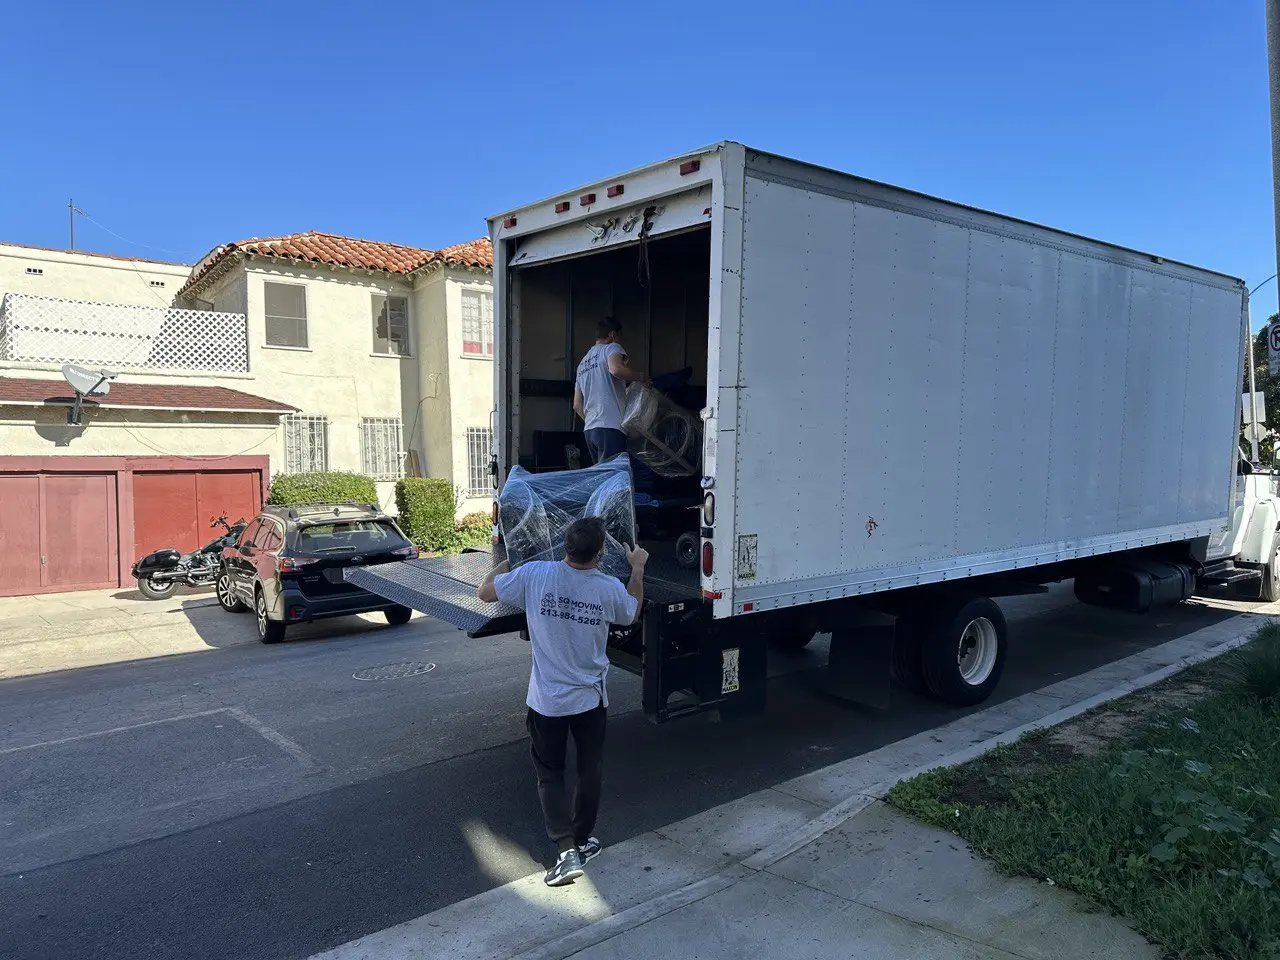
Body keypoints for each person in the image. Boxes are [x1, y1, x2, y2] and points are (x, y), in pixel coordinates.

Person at [477, 517, 648, 887]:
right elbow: (632, 611)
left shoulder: (535, 574)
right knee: (589, 771)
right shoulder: (607, 588)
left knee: (550, 774)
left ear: (565, 546)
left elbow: (485, 592)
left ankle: (567, 850)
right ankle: (583, 841)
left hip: (547, 702)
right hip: (589, 700)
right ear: (600, 553)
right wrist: (637, 568)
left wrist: (512, 559)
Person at [574, 317, 647, 464]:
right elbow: (616, 369)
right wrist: (642, 377)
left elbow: (576, 405)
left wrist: (592, 420)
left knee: (604, 477)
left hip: (590, 431)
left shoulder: (582, 364)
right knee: (613, 477)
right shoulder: (611, 348)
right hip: (609, 427)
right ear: (613, 335)